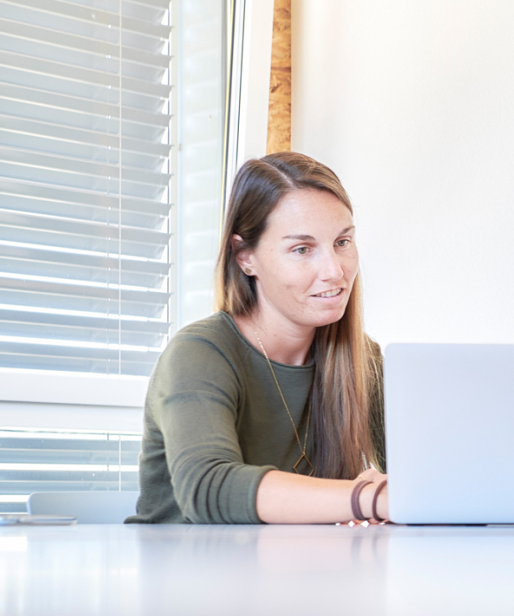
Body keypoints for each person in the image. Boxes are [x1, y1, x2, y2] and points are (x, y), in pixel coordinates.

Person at [129, 153, 390, 524]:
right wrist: (370, 498)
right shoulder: (200, 353)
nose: (334, 271)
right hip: (188, 561)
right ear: (245, 256)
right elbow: (210, 487)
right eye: (302, 249)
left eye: (342, 242)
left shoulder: (364, 361)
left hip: (298, 562)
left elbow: (430, 478)